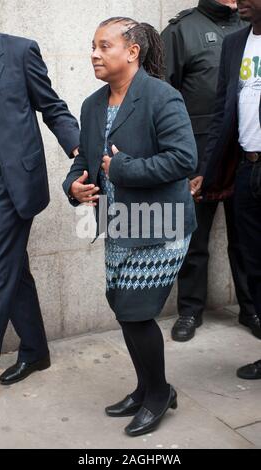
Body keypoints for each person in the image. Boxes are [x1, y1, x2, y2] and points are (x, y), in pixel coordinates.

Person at [63, 17, 197, 436]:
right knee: (125, 311)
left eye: (105, 46)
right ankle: (147, 388)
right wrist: (75, 186)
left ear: (132, 51)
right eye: (93, 45)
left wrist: (121, 167)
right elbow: (83, 161)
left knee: (135, 312)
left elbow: (183, 159)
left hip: (162, 224)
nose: (95, 54)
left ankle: (158, 396)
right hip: (121, 223)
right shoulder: (91, 104)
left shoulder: (162, 97)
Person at [161, 0, 257, 343]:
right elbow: (162, 95)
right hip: (198, 157)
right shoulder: (180, 30)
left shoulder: (249, 27)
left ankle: (251, 308)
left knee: (246, 239)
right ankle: (190, 310)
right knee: (193, 238)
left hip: (244, 156)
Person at [0, 33, 80, 385]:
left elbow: (52, 107)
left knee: (1, 271)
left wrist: (81, 150)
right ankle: (35, 351)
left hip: (11, 186)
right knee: (14, 270)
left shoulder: (19, 51)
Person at [195, 0, 261, 379]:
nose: (241, 0)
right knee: (254, 266)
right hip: (245, 169)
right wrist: (209, 169)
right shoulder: (235, 43)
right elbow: (223, 111)